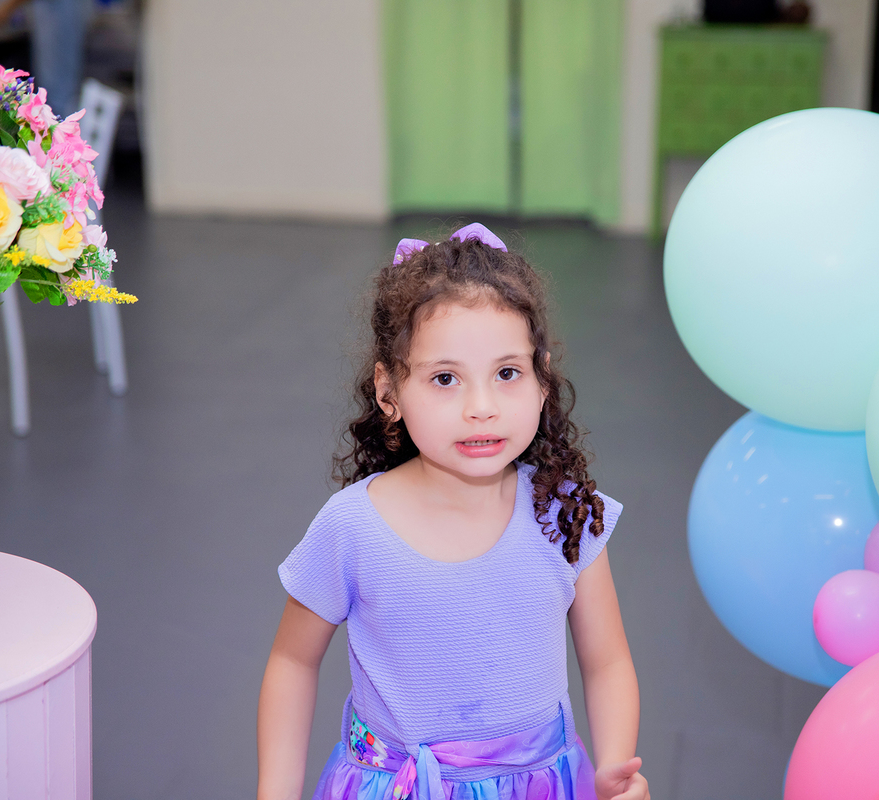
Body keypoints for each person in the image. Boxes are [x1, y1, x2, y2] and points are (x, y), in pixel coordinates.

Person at [257, 223, 648, 800]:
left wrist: (615, 768)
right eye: (445, 379)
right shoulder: (352, 527)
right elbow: (291, 662)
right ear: (389, 394)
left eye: (507, 373)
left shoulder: (565, 514)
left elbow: (609, 660)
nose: (481, 408)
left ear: (543, 379)